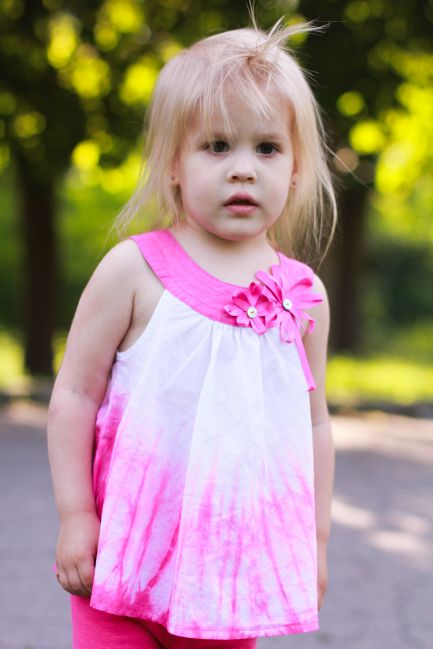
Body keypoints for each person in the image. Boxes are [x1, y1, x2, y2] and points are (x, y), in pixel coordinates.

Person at [47, 16, 337, 649]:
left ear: (296, 168)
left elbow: (312, 425)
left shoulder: (302, 295)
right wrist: (76, 515)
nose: (243, 170)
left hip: (230, 576)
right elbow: (74, 394)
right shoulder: (134, 270)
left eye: (267, 148)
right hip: (120, 561)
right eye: (217, 146)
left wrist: (314, 545)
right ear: (174, 163)